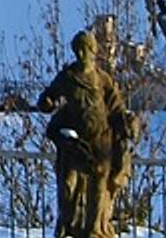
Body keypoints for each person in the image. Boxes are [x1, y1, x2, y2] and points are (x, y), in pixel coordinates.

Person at [43, 17, 135, 238]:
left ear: (93, 52)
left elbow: (116, 107)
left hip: (101, 142)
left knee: (98, 190)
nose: (83, 55)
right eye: (80, 50)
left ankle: (94, 231)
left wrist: (127, 123)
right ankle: (68, 227)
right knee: (68, 188)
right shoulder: (68, 77)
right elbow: (48, 97)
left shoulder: (102, 80)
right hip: (75, 143)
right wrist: (47, 102)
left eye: (87, 50)